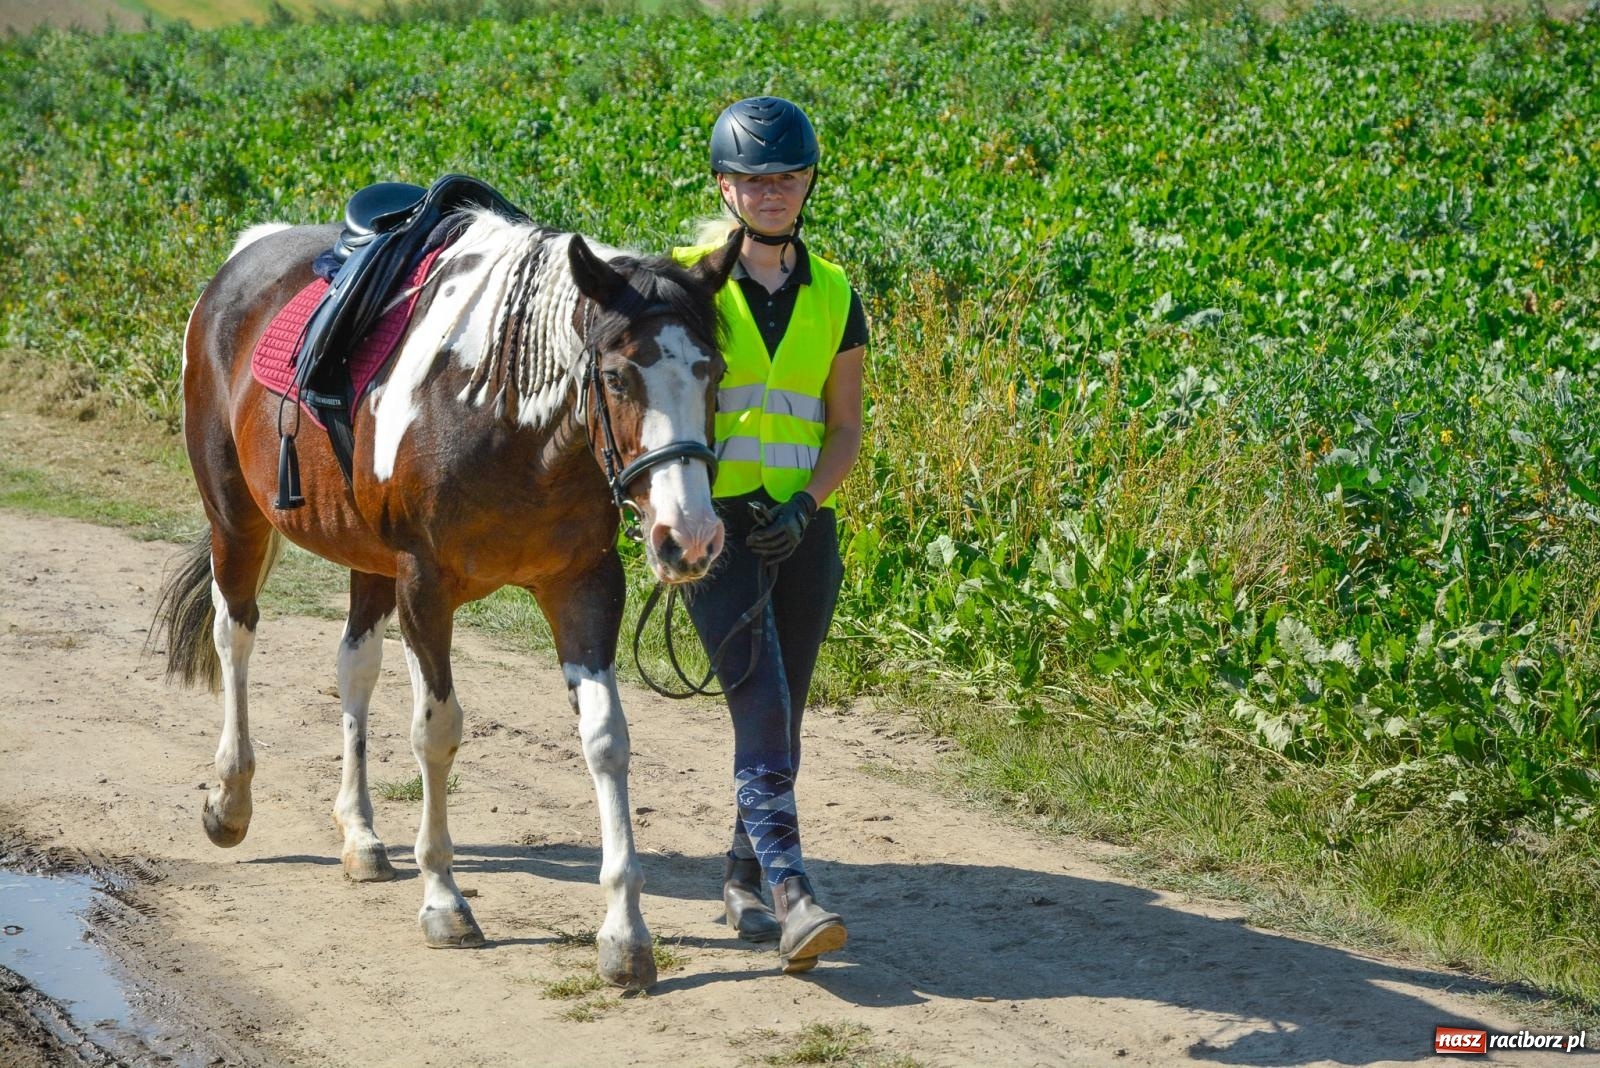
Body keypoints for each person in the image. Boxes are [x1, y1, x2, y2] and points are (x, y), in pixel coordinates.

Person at [671, 96, 869, 974]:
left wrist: (808, 505)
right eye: (754, 179)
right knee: (757, 694)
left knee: (785, 713)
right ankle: (793, 895)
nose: (772, 191)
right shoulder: (685, 282)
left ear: (810, 182)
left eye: (788, 176)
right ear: (725, 187)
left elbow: (844, 427)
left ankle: (742, 876)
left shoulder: (836, 293)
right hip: (713, 528)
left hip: (799, 531)